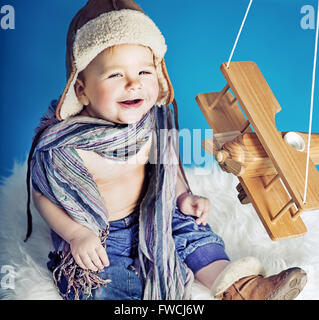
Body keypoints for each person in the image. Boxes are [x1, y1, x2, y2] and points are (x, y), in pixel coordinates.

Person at [25, 0, 307, 300]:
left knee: (193, 233)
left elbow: (166, 165)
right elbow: (42, 195)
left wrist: (184, 195)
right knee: (96, 279)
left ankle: (242, 288)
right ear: (81, 89)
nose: (134, 84)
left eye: (144, 73)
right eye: (115, 75)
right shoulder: (66, 147)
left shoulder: (153, 122)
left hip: (154, 211)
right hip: (100, 234)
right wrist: (75, 234)